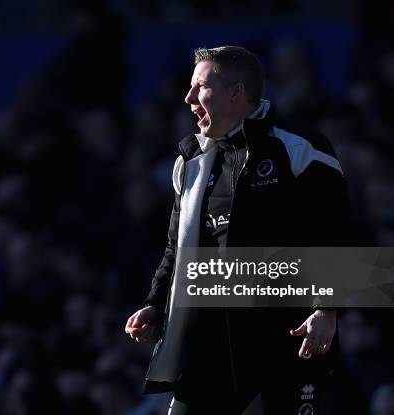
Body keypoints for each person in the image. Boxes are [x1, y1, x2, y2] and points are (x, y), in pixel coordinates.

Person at [125, 46, 349, 414]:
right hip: (208, 341)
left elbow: (334, 234)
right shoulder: (190, 162)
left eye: (201, 87)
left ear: (237, 93)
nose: (189, 97)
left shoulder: (299, 149)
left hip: (284, 337)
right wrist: (154, 303)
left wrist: (327, 310)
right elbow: (175, 248)